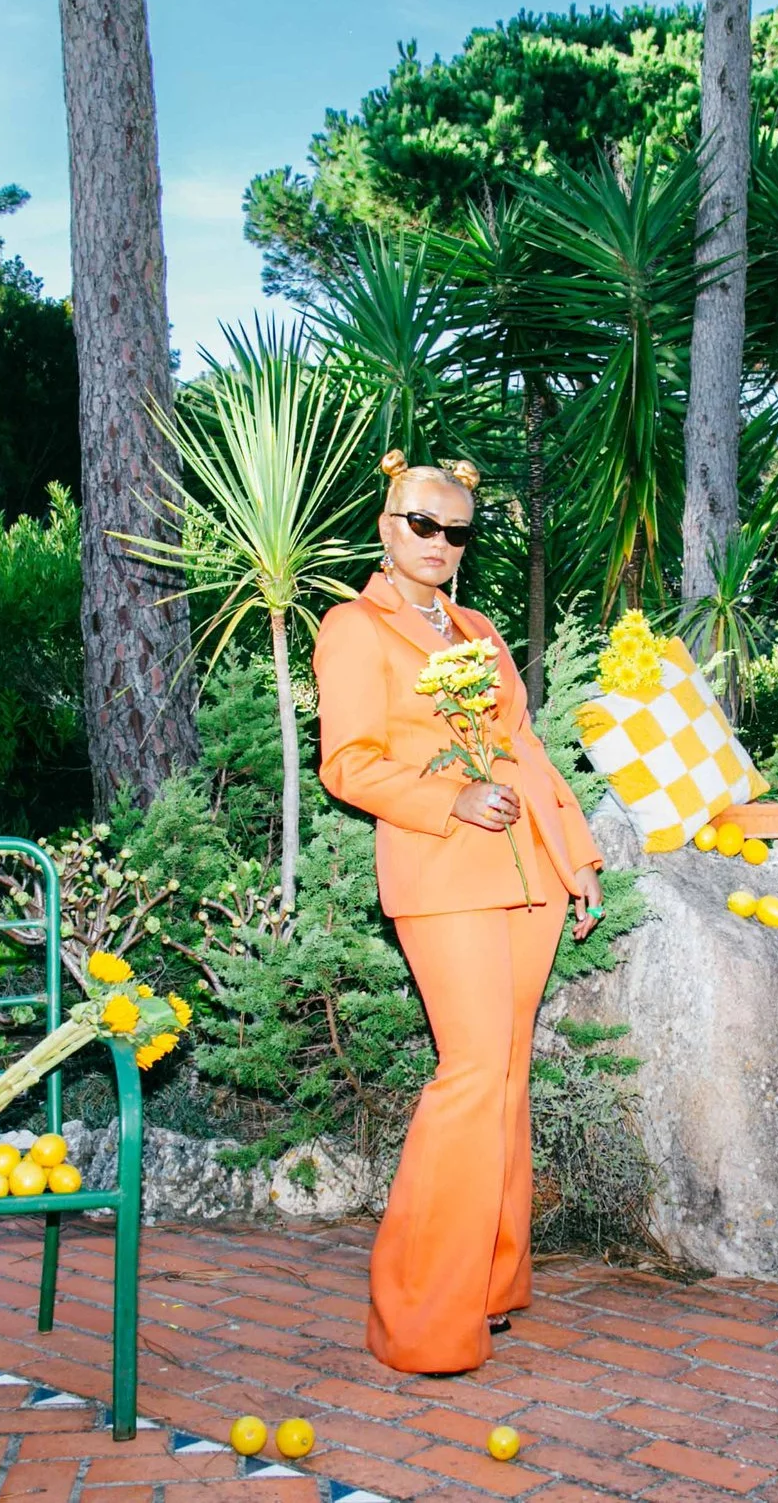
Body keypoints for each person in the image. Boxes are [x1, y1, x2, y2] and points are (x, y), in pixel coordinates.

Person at [312, 452, 605, 1375]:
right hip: (443, 872)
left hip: (530, 879)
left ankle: (489, 1284)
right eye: (419, 524)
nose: (437, 543)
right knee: (472, 1073)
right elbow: (348, 762)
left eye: (456, 530)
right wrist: (448, 802)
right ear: (387, 524)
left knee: (508, 1075)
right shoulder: (353, 627)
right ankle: (419, 1318)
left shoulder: (476, 627)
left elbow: (526, 747)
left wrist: (579, 852)